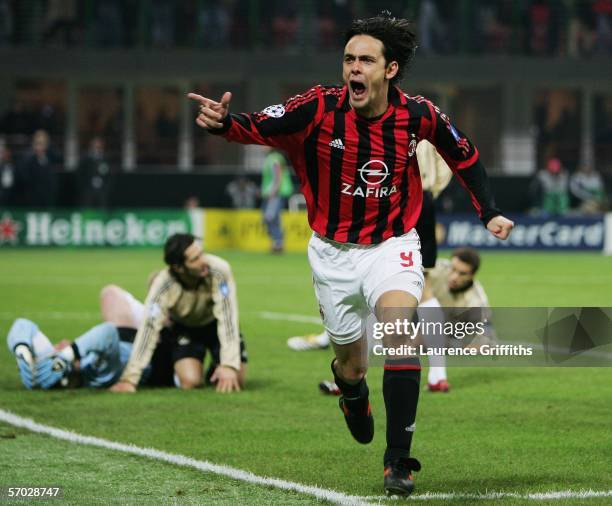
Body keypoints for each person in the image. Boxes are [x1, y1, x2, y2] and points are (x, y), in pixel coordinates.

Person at [188, 13, 513, 496]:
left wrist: (488, 210)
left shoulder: (419, 115)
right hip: (333, 254)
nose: (353, 69)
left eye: (365, 60)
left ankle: (397, 461)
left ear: (390, 70)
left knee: (401, 335)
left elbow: (464, 155)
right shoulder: (319, 107)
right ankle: (353, 395)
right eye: (348, 59)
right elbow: (260, 125)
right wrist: (224, 124)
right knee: (351, 366)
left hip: (393, 244)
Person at [294, 246, 493, 395]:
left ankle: (343, 371)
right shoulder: (437, 268)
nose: (454, 276)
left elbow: (479, 339)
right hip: (410, 317)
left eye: (462, 273)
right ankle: (337, 361)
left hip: (435, 335)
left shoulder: (476, 301)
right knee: (373, 315)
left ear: (473, 275)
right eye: (454, 269)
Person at [110, 233, 247, 394]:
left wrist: (229, 364)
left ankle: (217, 365)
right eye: (195, 259)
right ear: (178, 267)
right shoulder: (163, 285)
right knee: (190, 382)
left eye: (201, 254)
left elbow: (228, 317)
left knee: (235, 379)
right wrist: (130, 379)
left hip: (215, 325)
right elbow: (149, 328)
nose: (203, 261)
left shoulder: (219, 269)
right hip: (186, 329)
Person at [261, 147, 294, 252]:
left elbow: (278, 176)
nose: (262, 147)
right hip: (272, 193)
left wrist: (273, 193)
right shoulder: (270, 158)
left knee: (270, 216)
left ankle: (278, 242)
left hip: (277, 193)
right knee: (271, 217)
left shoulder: (275, 158)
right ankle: (276, 242)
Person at [78, 136, 113, 208]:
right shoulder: (85, 159)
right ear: (91, 146)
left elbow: (110, 176)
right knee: (87, 210)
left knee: (102, 210)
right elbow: (80, 175)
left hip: (102, 192)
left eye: (99, 146)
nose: (97, 148)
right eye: (95, 146)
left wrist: (106, 189)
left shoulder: (106, 159)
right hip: (88, 192)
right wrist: (84, 189)